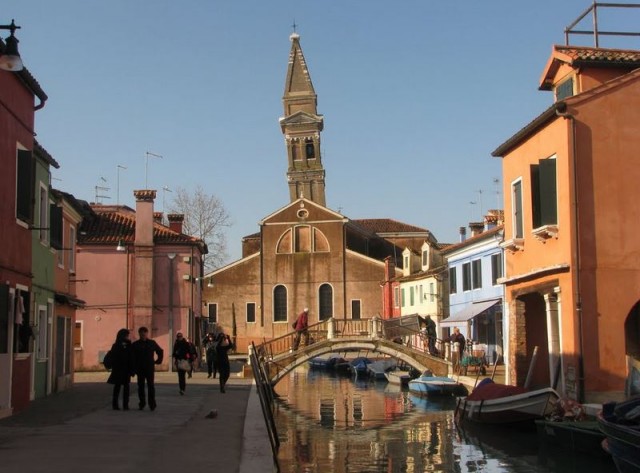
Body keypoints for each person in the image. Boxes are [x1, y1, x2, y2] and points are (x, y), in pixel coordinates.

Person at [132, 326, 163, 411]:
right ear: (139, 334)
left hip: (149, 368)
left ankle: (152, 404)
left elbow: (160, 351)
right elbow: (132, 358)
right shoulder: (135, 345)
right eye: (141, 334)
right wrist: (133, 369)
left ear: (147, 334)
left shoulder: (152, 343)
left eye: (144, 334)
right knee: (141, 387)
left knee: (151, 386)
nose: (143, 336)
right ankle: (142, 403)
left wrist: (158, 361)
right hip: (140, 369)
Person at [107, 328, 135, 410]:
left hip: (120, 369)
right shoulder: (126, 345)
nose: (128, 337)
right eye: (127, 335)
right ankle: (124, 405)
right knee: (123, 388)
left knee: (118, 387)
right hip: (123, 369)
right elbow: (131, 358)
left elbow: (131, 357)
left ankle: (117, 405)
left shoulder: (117, 345)